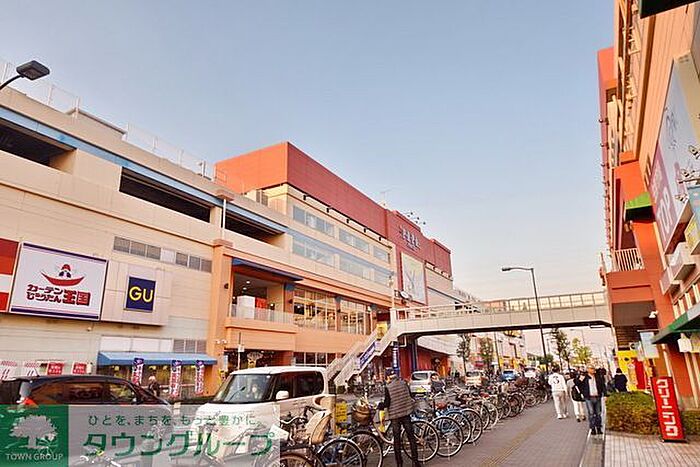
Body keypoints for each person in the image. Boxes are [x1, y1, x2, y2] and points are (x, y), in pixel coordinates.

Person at [378, 369, 420, 467]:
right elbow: (410, 396)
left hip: (395, 416)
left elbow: (387, 403)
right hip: (406, 413)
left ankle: (400, 463)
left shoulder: (388, 387)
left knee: (397, 441)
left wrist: (380, 405)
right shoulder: (403, 383)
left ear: (388, 377)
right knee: (411, 438)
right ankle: (415, 462)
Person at [576, 365, 607, 436]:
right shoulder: (584, 377)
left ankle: (599, 428)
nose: (593, 370)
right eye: (591, 368)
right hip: (588, 398)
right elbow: (577, 384)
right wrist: (581, 379)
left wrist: (605, 394)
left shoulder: (598, 377)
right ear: (588, 370)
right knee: (591, 413)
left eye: (593, 368)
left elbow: (603, 386)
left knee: (598, 413)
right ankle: (593, 428)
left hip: (597, 397)